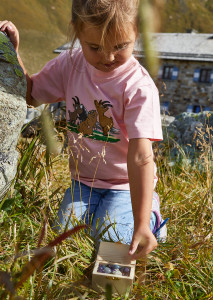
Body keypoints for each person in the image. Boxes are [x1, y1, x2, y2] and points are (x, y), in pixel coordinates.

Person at [0, 0, 167, 260]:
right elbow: (31, 94)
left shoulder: (139, 88)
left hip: (126, 185)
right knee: (62, 236)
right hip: (83, 183)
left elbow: (141, 157)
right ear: (77, 32)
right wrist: (13, 53)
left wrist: (141, 222)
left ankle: (150, 220)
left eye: (120, 46)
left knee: (112, 241)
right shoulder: (69, 65)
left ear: (137, 32)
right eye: (95, 47)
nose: (108, 57)